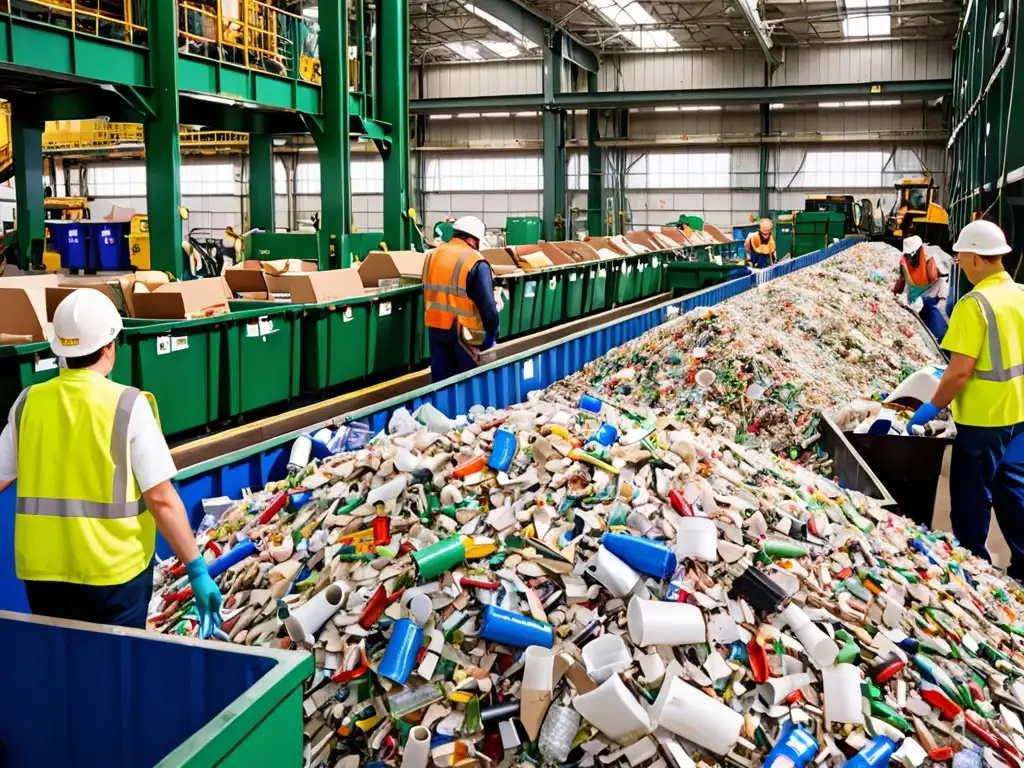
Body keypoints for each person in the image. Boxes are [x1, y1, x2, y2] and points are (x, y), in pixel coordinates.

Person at [0, 289, 223, 634]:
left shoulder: (28, 403)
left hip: (42, 577)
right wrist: (196, 569)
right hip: (113, 578)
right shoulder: (128, 405)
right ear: (109, 347)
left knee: (62, 670)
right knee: (114, 676)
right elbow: (161, 499)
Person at [906, 219, 1024, 577]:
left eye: (961, 259)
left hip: (984, 418)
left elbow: (959, 371)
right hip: (1018, 412)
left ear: (975, 257)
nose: (961, 266)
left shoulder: (975, 304)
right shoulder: (1019, 293)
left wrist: (931, 407)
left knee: (972, 496)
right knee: (1012, 489)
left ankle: (974, 567)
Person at [422, 215, 500, 381]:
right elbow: (488, 308)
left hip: (435, 326)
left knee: (441, 383)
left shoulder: (432, 255)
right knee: (468, 385)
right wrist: (492, 333)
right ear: (472, 240)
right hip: (464, 334)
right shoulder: (474, 261)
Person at [892, 234, 949, 342]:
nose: (910, 258)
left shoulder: (929, 262)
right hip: (915, 300)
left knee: (937, 331)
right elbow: (901, 281)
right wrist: (894, 294)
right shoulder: (905, 264)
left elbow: (941, 281)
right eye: (908, 255)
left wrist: (942, 298)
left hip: (931, 298)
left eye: (911, 255)